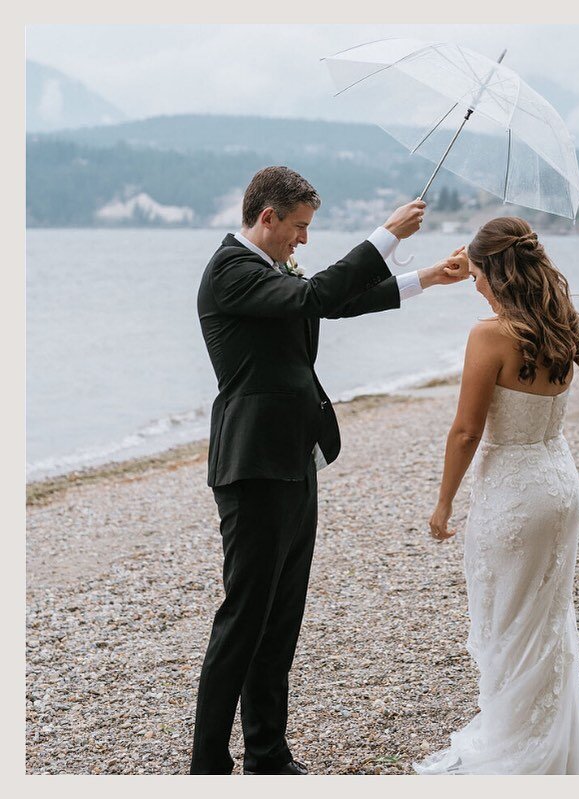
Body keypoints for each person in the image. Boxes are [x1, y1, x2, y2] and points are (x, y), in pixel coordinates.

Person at [191, 166, 468, 775]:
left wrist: (426, 278)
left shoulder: (269, 270)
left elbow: (334, 302)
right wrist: (386, 234)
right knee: (244, 617)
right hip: (252, 465)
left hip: (296, 457)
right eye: (299, 227)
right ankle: (207, 766)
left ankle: (267, 754)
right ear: (268, 218)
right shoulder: (231, 272)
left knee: (281, 618)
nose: (303, 241)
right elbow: (317, 295)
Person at [414, 216, 579, 774]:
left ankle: (521, 744)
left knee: (508, 616)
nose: (473, 285)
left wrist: (443, 502)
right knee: (545, 614)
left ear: (495, 272)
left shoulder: (490, 336)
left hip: (515, 490)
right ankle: (548, 728)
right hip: (560, 480)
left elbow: (466, 431)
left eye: (476, 275)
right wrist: (464, 264)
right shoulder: (559, 323)